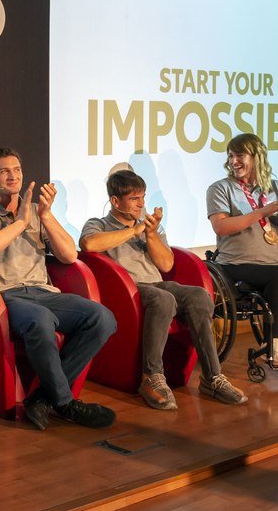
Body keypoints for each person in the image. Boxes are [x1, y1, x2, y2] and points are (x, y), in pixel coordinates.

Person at [0, 148, 117, 429]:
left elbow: (69, 255)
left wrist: (45, 216)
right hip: (4, 297)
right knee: (40, 320)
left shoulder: (34, 211)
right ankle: (66, 404)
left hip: (43, 293)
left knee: (103, 318)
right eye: (4, 171)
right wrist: (19, 224)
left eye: (17, 170)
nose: (13, 176)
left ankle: (43, 398)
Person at [79, 169, 247, 410]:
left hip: (156, 284)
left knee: (199, 295)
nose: (141, 204)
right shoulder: (98, 224)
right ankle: (152, 377)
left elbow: (166, 264)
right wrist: (132, 231)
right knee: (163, 298)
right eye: (134, 199)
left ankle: (212, 377)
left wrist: (150, 235)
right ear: (115, 201)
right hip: (127, 291)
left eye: (143, 197)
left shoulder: (150, 227)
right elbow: (88, 244)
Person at [206, 132, 278, 368]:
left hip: (275, 261)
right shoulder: (221, 188)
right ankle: (272, 343)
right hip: (236, 263)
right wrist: (263, 211)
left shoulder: (276, 187)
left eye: (240, 155)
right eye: (231, 156)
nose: (234, 161)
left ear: (257, 157)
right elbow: (221, 227)